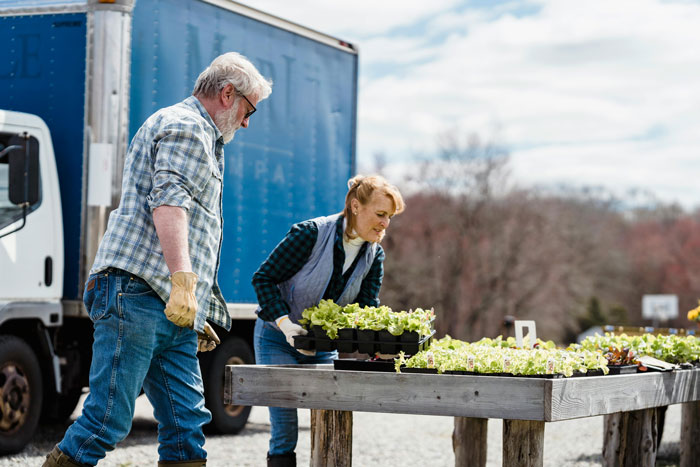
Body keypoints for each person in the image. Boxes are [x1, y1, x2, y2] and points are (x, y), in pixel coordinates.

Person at [43, 52, 272, 467]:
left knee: (187, 426)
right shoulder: (187, 127)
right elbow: (169, 201)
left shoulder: (199, 133)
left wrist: (193, 303)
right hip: (139, 293)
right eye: (248, 109)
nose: (246, 121)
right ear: (227, 94)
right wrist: (183, 280)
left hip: (170, 305)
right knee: (107, 420)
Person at [252, 174, 405, 467]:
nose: (386, 224)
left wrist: (379, 347)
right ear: (356, 207)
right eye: (381, 214)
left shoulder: (375, 256)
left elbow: (365, 309)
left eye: (390, 217)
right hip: (277, 338)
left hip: (323, 345)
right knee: (285, 429)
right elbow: (263, 278)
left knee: (330, 422)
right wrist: (285, 325)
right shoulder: (310, 234)